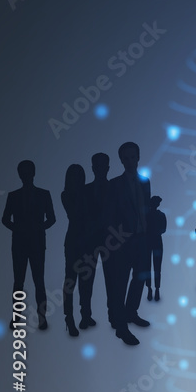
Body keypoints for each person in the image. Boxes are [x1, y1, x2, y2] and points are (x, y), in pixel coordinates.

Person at [105, 143, 151, 345]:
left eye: (133, 157)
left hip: (142, 238)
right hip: (123, 241)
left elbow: (145, 208)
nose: (130, 161)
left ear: (138, 158)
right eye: (126, 158)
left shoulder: (145, 182)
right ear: (121, 160)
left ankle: (131, 312)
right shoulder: (114, 184)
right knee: (120, 283)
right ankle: (121, 328)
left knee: (140, 277)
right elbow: (110, 214)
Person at [2, 161, 55, 330]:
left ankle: (41, 317)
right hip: (19, 242)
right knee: (19, 281)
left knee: (38, 280)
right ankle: (17, 317)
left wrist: (39, 228)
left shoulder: (44, 194)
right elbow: (5, 219)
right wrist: (17, 228)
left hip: (37, 242)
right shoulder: (13, 196)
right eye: (22, 172)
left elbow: (52, 218)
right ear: (20, 174)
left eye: (28, 171)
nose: (25, 175)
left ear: (33, 173)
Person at [78, 153, 111, 330]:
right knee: (86, 280)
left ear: (107, 167)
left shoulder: (114, 188)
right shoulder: (84, 190)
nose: (99, 169)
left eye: (102, 166)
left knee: (111, 280)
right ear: (93, 168)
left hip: (110, 241)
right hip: (89, 241)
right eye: (96, 166)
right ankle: (85, 315)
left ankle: (112, 315)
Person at [61, 164, 86, 336]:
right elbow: (74, 213)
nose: (76, 179)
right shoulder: (66, 194)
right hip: (72, 242)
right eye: (74, 176)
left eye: (79, 176)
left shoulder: (86, 193)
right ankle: (69, 317)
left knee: (85, 280)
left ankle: (84, 315)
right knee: (70, 280)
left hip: (86, 242)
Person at [146, 195, 166, 302]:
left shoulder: (160, 215)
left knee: (156, 266)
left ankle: (156, 289)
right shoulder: (147, 214)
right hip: (151, 241)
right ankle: (150, 288)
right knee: (149, 266)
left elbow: (164, 229)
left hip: (155, 241)